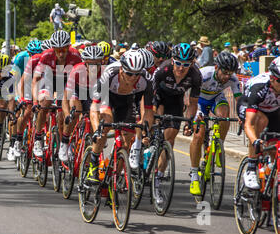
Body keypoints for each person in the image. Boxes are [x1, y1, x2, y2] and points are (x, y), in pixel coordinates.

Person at [87, 48, 154, 184]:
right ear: (122, 70)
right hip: (108, 98)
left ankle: (114, 177)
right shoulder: (110, 74)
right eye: (130, 74)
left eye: (137, 74)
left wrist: (145, 130)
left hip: (128, 101)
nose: (134, 78)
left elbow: (147, 110)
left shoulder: (146, 80)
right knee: (105, 127)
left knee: (125, 142)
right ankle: (93, 165)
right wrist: (96, 131)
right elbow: (94, 107)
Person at [152, 43, 202, 204]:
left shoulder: (195, 75)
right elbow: (150, 96)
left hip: (175, 101)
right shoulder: (163, 70)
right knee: (153, 121)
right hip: (157, 97)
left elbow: (193, 102)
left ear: (192, 63)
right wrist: (152, 118)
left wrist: (189, 121)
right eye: (178, 63)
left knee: (170, 137)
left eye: (186, 65)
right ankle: (145, 143)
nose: (181, 68)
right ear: (173, 60)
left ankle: (158, 178)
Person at [188, 52, 241, 195]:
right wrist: (196, 114)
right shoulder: (203, 74)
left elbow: (239, 100)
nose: (227, 77)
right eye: (224, 72)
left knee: (224, 116)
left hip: (216, 98)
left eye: (230, 73)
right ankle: (193, 176)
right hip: (198, 101)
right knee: (199, 135)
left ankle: (218, 146)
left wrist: (243, 115)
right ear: (217, 67)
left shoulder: (233, 79)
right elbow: (191, 97)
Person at [32, 30, 82, 158]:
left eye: (64, 50)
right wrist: (35, 102)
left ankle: (63, 144)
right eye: (57, 50)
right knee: (45, 103)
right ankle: (37, 139)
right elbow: (36, 80)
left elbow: (79, 81)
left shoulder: (75, 56)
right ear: (53, 48)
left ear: (68, 47)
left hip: (65, 83)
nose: (60, 53)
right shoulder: (46, 55)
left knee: (62, 116)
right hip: (48, 80)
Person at [237, 57, 280, 190]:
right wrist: (255, 140)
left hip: (273, 109)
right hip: (249, 105)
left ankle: (271, 177)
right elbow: (249, 124)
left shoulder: (276, 85)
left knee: (275, 147)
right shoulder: (260, 88)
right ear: (272, 79)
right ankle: (250, 167)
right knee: (261, 121)